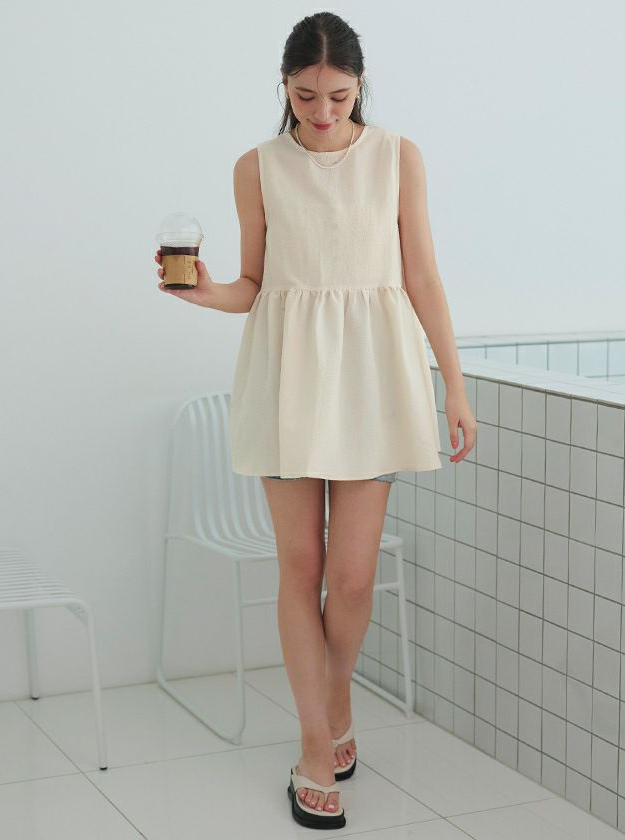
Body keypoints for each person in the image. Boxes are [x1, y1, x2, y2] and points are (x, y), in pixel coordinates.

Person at [155, 11, 476, 830]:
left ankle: (336, 700)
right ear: (284, 87)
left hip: (374, 375)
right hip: (289, 376)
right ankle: (311, 748)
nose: (324, 112)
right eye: (306, 97)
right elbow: (255, 284)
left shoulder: (398, 157)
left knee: (354, 577)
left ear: (360, 85)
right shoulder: (257, 167)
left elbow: (423, 277)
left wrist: (455, 386)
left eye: (338, 96)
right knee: (300, 567)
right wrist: (204, 292)